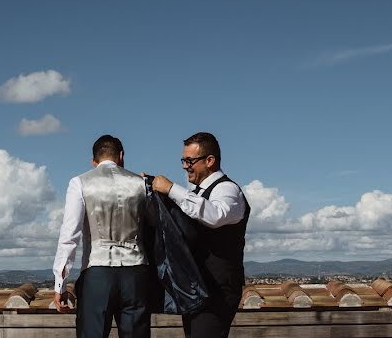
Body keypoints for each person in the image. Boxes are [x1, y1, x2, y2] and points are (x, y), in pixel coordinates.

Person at [52, 134, 154, 338]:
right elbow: (153, 226)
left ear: (94, 161)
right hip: (136, 273)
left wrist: (60, 284)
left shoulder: (80, 182)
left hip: (97, 274)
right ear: (121, 156)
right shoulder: (142, 184)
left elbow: (70, 235)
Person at [150, 132, 250, 338]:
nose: (185, 166)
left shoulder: (228, 189)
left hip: (218, 290)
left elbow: (214, 215)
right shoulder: (197, 193)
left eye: (190, 160)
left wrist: (171, 189)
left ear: (210, 160)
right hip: (199, 289)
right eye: (183, 160)